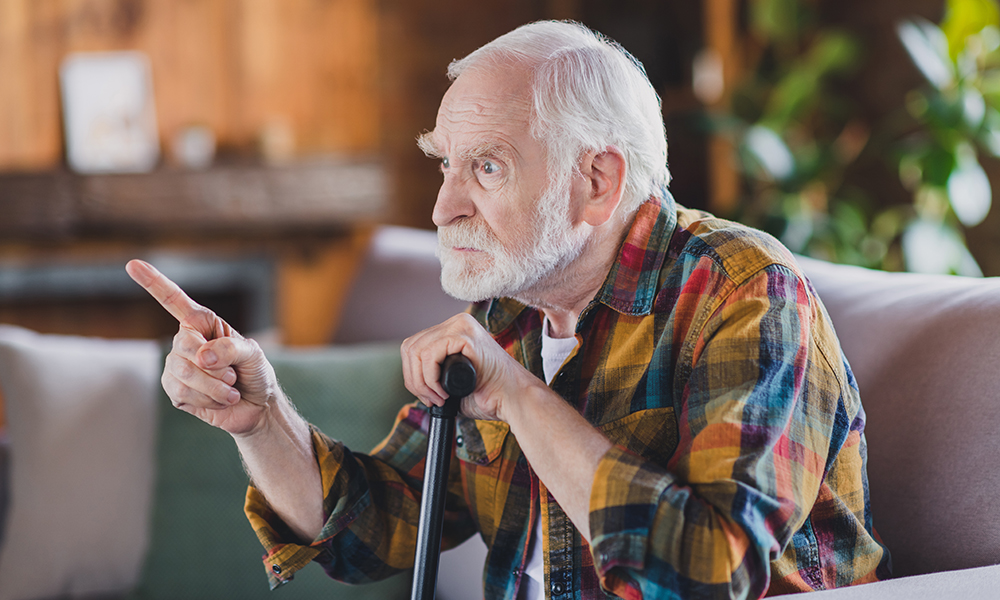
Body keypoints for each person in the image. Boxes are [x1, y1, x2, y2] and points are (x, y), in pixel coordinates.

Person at [127, 20, 890, 600]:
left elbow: (711, 573)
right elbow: (376, 528)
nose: (442, 206)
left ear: (597, 182)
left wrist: (520, 396)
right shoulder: (513, 310)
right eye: (445, 165)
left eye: (486, 166)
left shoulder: (743, 290)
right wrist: (261, 418)